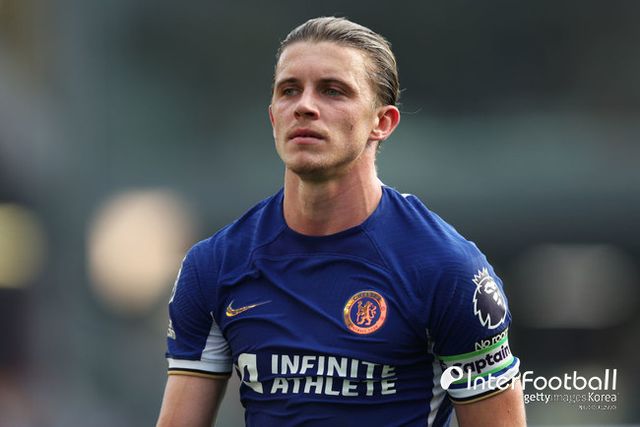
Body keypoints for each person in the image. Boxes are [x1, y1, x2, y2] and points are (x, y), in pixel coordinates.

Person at [156, 16, 526, 427]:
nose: (304, 106)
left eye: (333, 91)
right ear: (274, 117)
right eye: (289, 90)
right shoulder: (214, 266)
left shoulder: (447, 269)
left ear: (382, 123)